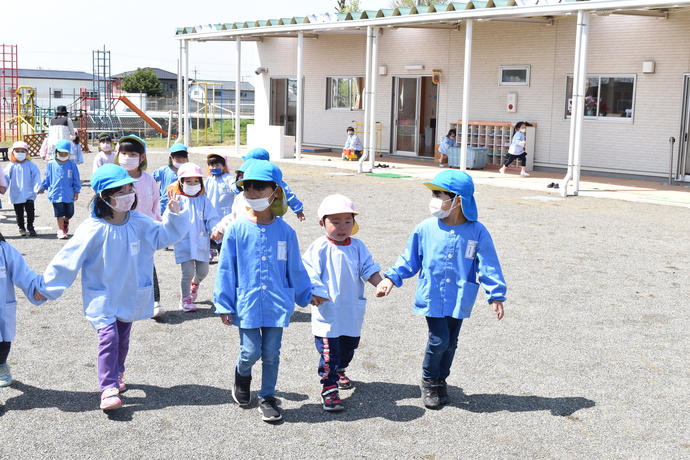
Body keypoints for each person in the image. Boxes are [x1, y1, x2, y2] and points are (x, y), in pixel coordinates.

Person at [36, 164, 188, 411]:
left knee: (123, 339)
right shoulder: (92, 228)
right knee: (109, 338)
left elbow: (164, 237)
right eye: (120, 191)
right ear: (104, 197)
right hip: (103, 296)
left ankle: (117, 373)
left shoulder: (139, 221)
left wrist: (175, 215)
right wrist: (46, 288)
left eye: (129, 188)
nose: (128, 194)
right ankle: (107, 388)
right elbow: (67, 260)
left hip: (129, 293)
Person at [376, 170, 507, 409]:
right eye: (434, 193)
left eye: (439, 194)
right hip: (432, 294)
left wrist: (495, 295)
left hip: (460, 296)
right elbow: (409, 259)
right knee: (439, 339)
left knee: (451, 341)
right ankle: (429, 380)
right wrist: (391, 279)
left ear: (458, 200)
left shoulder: (477, 231)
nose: (434, 198)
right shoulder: (425, 228)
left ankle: (441, 380)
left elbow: (488, 264)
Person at [213, 160, 315, 422]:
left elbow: (296, 268)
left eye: (260, 188)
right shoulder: (236, 229)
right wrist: (224, 303)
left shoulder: (285, 231)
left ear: (275, 191)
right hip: (246, 303)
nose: (253, 193)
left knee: (271, 354)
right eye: (247, 188)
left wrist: (306, 294)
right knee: (250, 351)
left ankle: (267, 397)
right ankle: (242, 375)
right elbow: (226, 269)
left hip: (276, 303)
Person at [302, 194, 382, 412]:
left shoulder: (357, 246)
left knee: (348, 348)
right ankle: (329, 388)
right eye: (335, 222)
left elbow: (368, 268)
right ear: (322, 223)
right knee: (329, 353)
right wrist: (314, 293)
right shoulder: (319, 247)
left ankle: (340, 370)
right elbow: (308, 272)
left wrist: (380, 283)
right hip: (327, 310)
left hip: (351, 310)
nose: (342, 226)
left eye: (348, 221)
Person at [114, 134, 165, 318]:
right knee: (121, 264)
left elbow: (156, 202)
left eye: (132, 154)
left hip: (145, 230)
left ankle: (154, 301)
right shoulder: (114, 177)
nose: (127, 157)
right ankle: (122, 301)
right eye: (124, 153)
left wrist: (157, 224)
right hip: (120, 229)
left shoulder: (148, 179)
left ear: (142, 157)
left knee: (146, 264)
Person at [168, 163, 219, 312]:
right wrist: (174, 212)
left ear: (201, 183)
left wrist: (215, 228)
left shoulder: (203, 200)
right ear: (181, 183)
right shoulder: (177, 199)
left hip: (201, 241)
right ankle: (185, 299)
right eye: (188, 181)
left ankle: (194, 285)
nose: (192, 184)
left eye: (196, 181)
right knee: (187, 272)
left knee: (203, 271)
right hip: (183, 242)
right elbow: (169, 220)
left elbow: (212, 217)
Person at [0, 232, 46, 387]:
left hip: (1, 310)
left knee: (2, 345)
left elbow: (24, 274)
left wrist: (36, 289)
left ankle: (1, 365)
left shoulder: (4, 250)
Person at [240, 148, 306, 221]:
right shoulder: (246, 177)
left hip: (272, 216)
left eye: (260, 189)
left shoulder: (272, 179)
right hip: (250, 216)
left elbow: (289, 194)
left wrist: (298, 210)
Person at [38, 139, 81, 239]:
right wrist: (43, 187)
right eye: (60, 153)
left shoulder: (72, 165)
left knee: (70, 212)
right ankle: (61, 230)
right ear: (56, 152)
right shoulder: (51, 165)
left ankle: (66, 221)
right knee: (59, 212)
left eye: (65, 153)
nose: (62, 155)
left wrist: (76, 191)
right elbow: (47, 178)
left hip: (68, 193)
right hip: (56, 193)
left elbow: (76, 179)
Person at [3, 141, 42, 237]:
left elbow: (36, 177)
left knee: (30, 211)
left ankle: (30, 226)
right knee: (19, 213)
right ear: (13, 153)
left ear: (27, 153)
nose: (20, 153)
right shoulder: (11, 165)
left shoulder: (31, 165)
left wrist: (38, 187)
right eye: (17, 151)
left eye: (22, 151)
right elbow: (5, 178)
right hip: (17, 193)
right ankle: (21, 227)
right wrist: (3, 187)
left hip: (29, 193)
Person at [204, 153, 235, 261]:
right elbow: (204, 192)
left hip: (224, 212)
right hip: (211, 211)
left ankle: (222, 252)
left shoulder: (227, 178)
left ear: (224, 165)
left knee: (224, 233)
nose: (214, 168)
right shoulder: (209, 179)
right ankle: (210, 251)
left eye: (217, 165)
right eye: (212, 166)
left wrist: (234, 187)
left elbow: (233, 185)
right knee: (210, 232)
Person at [152, 143, 188, 215]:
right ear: (171, 158)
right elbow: (151, 180)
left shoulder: (189, 171)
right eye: (178, 158)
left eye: (183, 158)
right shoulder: (164, 170)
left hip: (183, 206)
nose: (181, 160)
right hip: (164, 206)